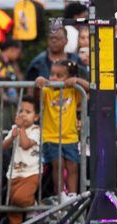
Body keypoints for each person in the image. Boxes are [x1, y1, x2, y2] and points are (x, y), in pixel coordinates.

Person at [35, 59, 89, 200]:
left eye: (59, 76)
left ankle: (72, 195)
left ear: (68, 78)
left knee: (73, 166)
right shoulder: (47, 91)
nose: (53, 78)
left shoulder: (74, 91)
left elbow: (90, 88)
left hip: (70, 137)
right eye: (52, 74)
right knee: (58, 164)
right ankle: (61, 194)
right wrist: (39, 80)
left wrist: (77, 81)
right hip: (51, 136)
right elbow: (36, 93)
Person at [2, 96, 41, 224]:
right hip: (14, 173)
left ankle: (32, 204)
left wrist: (22, 128)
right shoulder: (15, 128)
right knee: (13, 203)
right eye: (21, 110)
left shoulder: (36, 131)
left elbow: (25, 145)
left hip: (31, 173)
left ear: (36, 117)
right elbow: (3, 146)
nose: (23, 114)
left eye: (28, 112)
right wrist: (12, 136)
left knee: (21, 199)